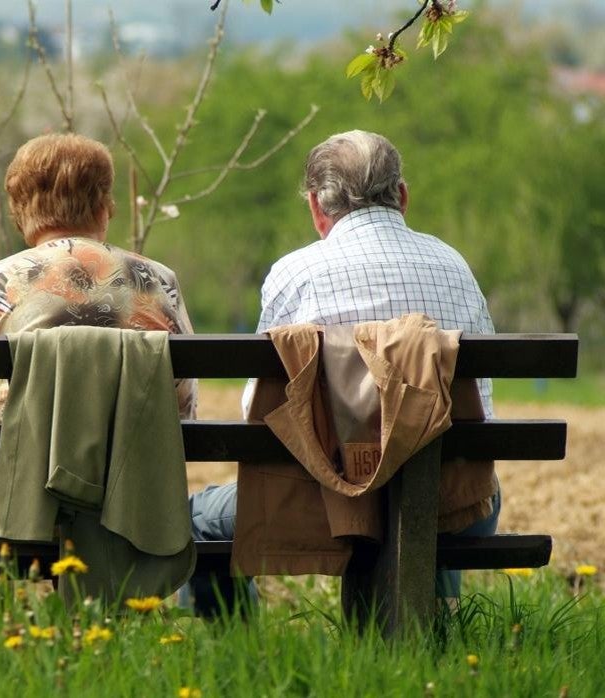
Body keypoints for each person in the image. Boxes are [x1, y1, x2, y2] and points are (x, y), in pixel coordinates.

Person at [191, 130, 499, 603]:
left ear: (316, 206)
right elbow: (483, 405)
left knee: (197, 520)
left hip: (322, 507)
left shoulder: (296, 274)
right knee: (433, 480)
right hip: (453, 504)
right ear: (401, 196)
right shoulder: (454, 266)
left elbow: (257, 405)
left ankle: (239, 649)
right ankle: (430, 637)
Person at [0, 133, 196, 535]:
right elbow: (182, 403)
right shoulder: (157, 281)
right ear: (104, 206)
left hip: (21, 505)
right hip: (134, 505)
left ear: (21, 210)